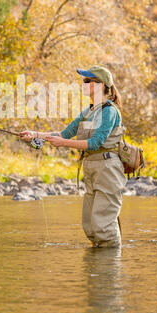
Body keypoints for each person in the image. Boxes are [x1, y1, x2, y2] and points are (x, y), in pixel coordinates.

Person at [19, 65, 127, 248]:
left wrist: (64, 144)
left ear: (101, 85)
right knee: (91, 226)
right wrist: (35, 135)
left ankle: (110, 270)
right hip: (92, 167)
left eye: (87, 81)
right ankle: (97, 269)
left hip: (108, 168)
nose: (83, 84)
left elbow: (95, 143)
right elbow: (63, 134)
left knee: (103, 226)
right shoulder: (88, 112)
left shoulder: (109, 111)